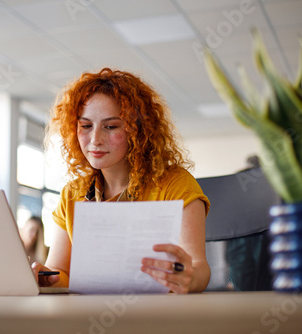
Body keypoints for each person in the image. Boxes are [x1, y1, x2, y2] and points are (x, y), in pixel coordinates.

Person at [32, 68, 211, 294]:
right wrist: (45, 277)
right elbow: (60, 271)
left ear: (137, 130)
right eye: (86, 126)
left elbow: (199, 267)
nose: (95, 140)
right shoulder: (72, 193)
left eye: (111, 126)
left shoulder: (174, 184)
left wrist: (189, 278)